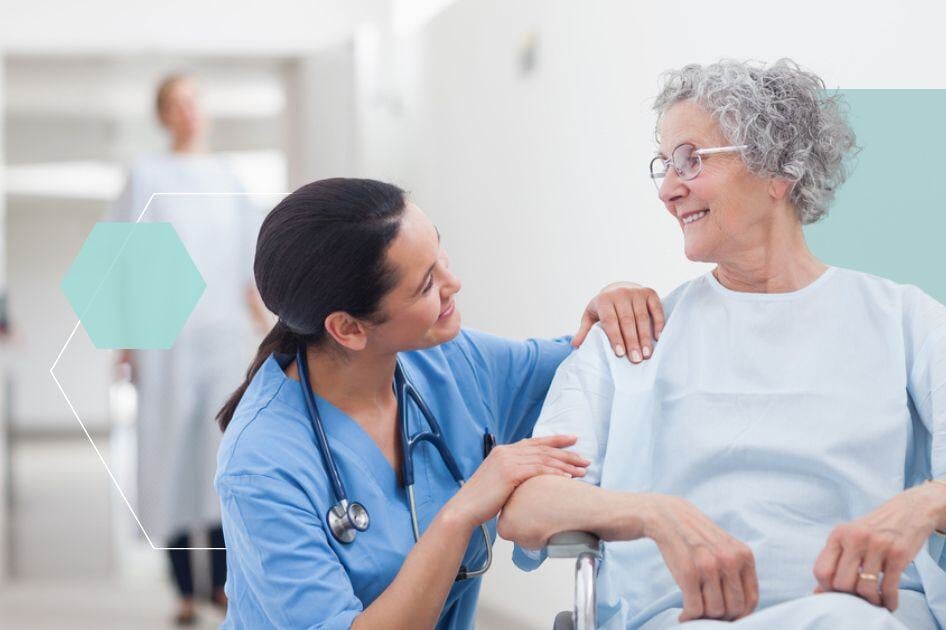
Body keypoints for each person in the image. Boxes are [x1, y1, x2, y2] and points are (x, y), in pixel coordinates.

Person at [498, 59, 946, 629]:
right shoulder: (633, 334)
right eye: (664, 166)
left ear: (778, 170)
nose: (669, 190)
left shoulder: (903, 320)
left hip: (859, 616)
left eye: (691, 160)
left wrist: (930, 502)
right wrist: (651, 514)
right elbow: (528, 505)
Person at [213, 177, 664, 629]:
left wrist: (618, 304)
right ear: (348, 328)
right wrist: (461, 513)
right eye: (427, 284)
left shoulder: (449, 363)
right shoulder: (260, 464)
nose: (455, 283)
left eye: (440, 257)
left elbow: (590, 371)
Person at [111, 73, 267, 625]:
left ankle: (222, 584)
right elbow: (124, 258)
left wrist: (267, 332)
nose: (187, 111)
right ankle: (181, 586)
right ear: (163, 115)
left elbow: (251, 263)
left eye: (193, 100)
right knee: (173, 459)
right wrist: (125, 341)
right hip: (166, 340)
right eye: (175, 103)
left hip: (224, 338)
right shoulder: (146, 174)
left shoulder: (229, 177)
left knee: (221, 456)